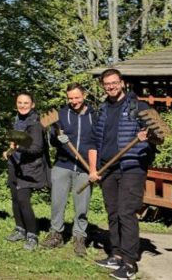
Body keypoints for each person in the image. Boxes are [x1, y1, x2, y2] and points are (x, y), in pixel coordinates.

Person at [89, 69, 162, 280]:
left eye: (114, 82)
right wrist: (93, 169)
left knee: (126, 213)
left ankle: (129, 263)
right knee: (113, 212)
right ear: (103, 86)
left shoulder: (139, 107)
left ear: (122, 83)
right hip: (108, 168)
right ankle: (116, 254)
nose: (111, 86)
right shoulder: (102, 110)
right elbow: (94, 142)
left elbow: (160, 137)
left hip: (132, 167)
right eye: (107, 84)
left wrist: (148, 137)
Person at [43, 83, 97, 256]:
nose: (74, 101)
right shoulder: (61, 114)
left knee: (82, 205)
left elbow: (98, 141)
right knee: (57, 202)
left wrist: (94, 168)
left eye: (77, 97)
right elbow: (52, 141)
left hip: (84, 167)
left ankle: (79, 237)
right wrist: (56, 136)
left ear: (84, 96)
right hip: (62, 165)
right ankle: (56, 234)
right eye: (70, 98)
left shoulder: (94, 116)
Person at [5, 92, 48, 251]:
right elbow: (15, 143)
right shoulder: (18, 120)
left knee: (23, 201)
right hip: (14, 164)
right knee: (15, 199)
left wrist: (18, 148)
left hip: (29, 168)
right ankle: (20, 229)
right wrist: (9, 151)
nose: (22, 106)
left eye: (26, 103)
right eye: (20, 102)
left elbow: (36, 148)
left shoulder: (35, 124)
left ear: (33, 105)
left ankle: (32, 235)